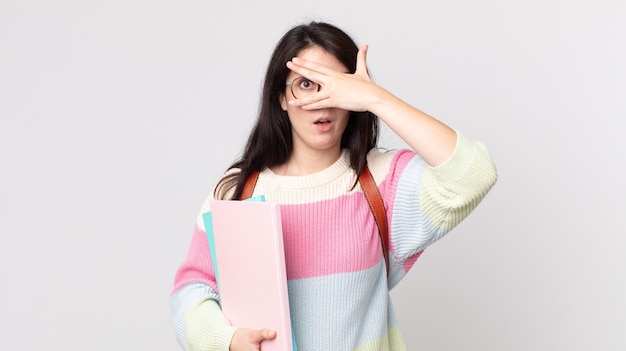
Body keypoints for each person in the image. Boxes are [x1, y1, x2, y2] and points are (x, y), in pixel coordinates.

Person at [170, 21, 497, 351]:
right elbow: (192, 288)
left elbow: (474, 173)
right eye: (306, 84)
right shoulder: (238, 192)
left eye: (335, 85)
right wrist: (226, 340)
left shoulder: (383, 182)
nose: (322, 101)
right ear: (282, 97)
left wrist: (376, 98)